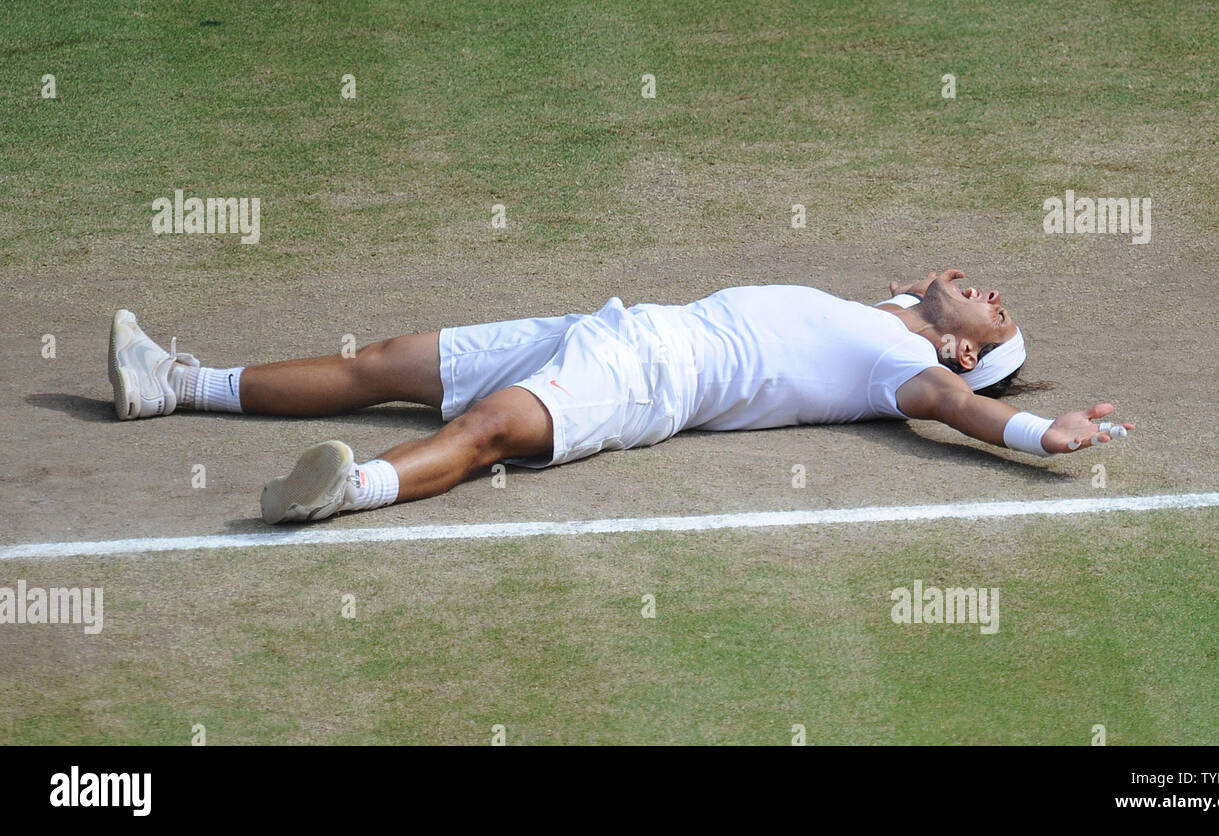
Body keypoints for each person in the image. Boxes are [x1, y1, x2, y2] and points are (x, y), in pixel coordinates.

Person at [107, 269, 1132, 524]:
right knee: (383, 364)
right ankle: (174, 384)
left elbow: (962, 410)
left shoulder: (902, 374)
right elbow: (926, 302)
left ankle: (346, 491)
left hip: (648, 377)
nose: (991, 293)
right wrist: (922, 298)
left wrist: (1044, 430)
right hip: (611, 326)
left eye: (996, 315)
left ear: (960, 352)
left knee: (488, 430)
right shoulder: (891, 322)